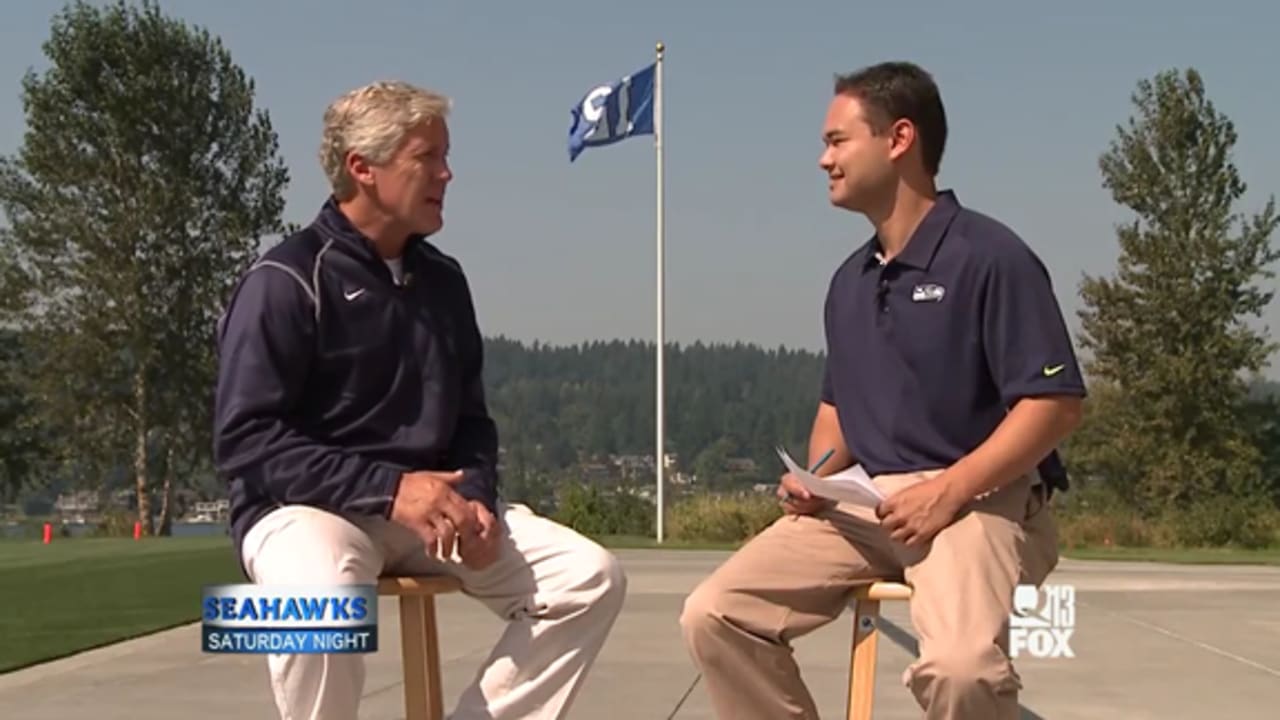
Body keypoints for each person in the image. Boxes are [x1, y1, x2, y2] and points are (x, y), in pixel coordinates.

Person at [679, 61, 1086, 720]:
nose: (822, 159)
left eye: (838, 140)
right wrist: (814, 478)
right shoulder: (850, 283)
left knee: (962, 672)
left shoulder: (991, 256)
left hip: (977, 502)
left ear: (899, 139)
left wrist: (947, 491)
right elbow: (837, 415)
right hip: (866, 507)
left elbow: (1056, 404)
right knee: (714, 614)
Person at [213, 80, 626, 720]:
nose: (447, 173)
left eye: (445, 155)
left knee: (590, 578)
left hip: (433, 509)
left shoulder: (445, 282)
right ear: (363, 168)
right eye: (426, 157)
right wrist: (390, 490)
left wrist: (479, 499)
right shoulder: (286, 281)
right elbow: (244, 440)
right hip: (301, 511)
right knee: (317, 599)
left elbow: (471, 424)